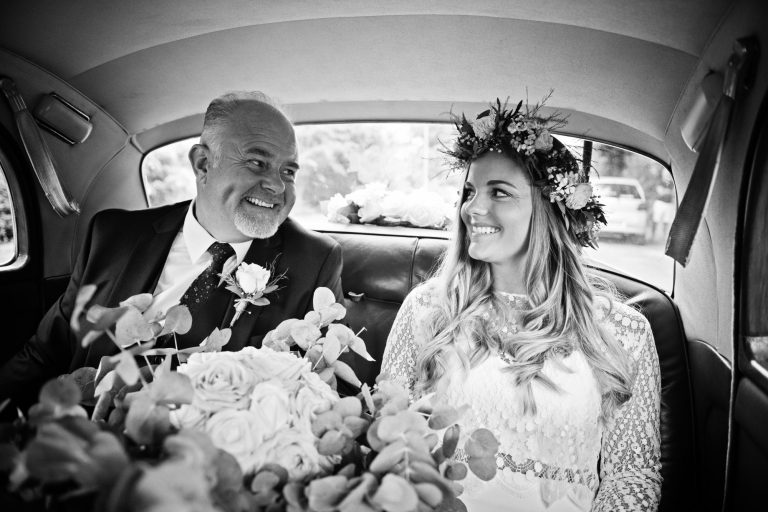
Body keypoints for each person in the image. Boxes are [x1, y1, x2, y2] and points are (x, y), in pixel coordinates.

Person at [381, 98, 661, 511]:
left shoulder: (622, 332)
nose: (473, 208)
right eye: (471, 191)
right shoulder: (428, 309)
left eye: (499, 192)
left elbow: (631, 474)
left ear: (548, 210)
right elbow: (386, 432)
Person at [0, 91, 343, 407]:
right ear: (203, 164)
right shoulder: (114, 235)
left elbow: (316, 393)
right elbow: (45, 354)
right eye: (257, 162)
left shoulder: (313, 262)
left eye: (289, 170)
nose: (277, 185)